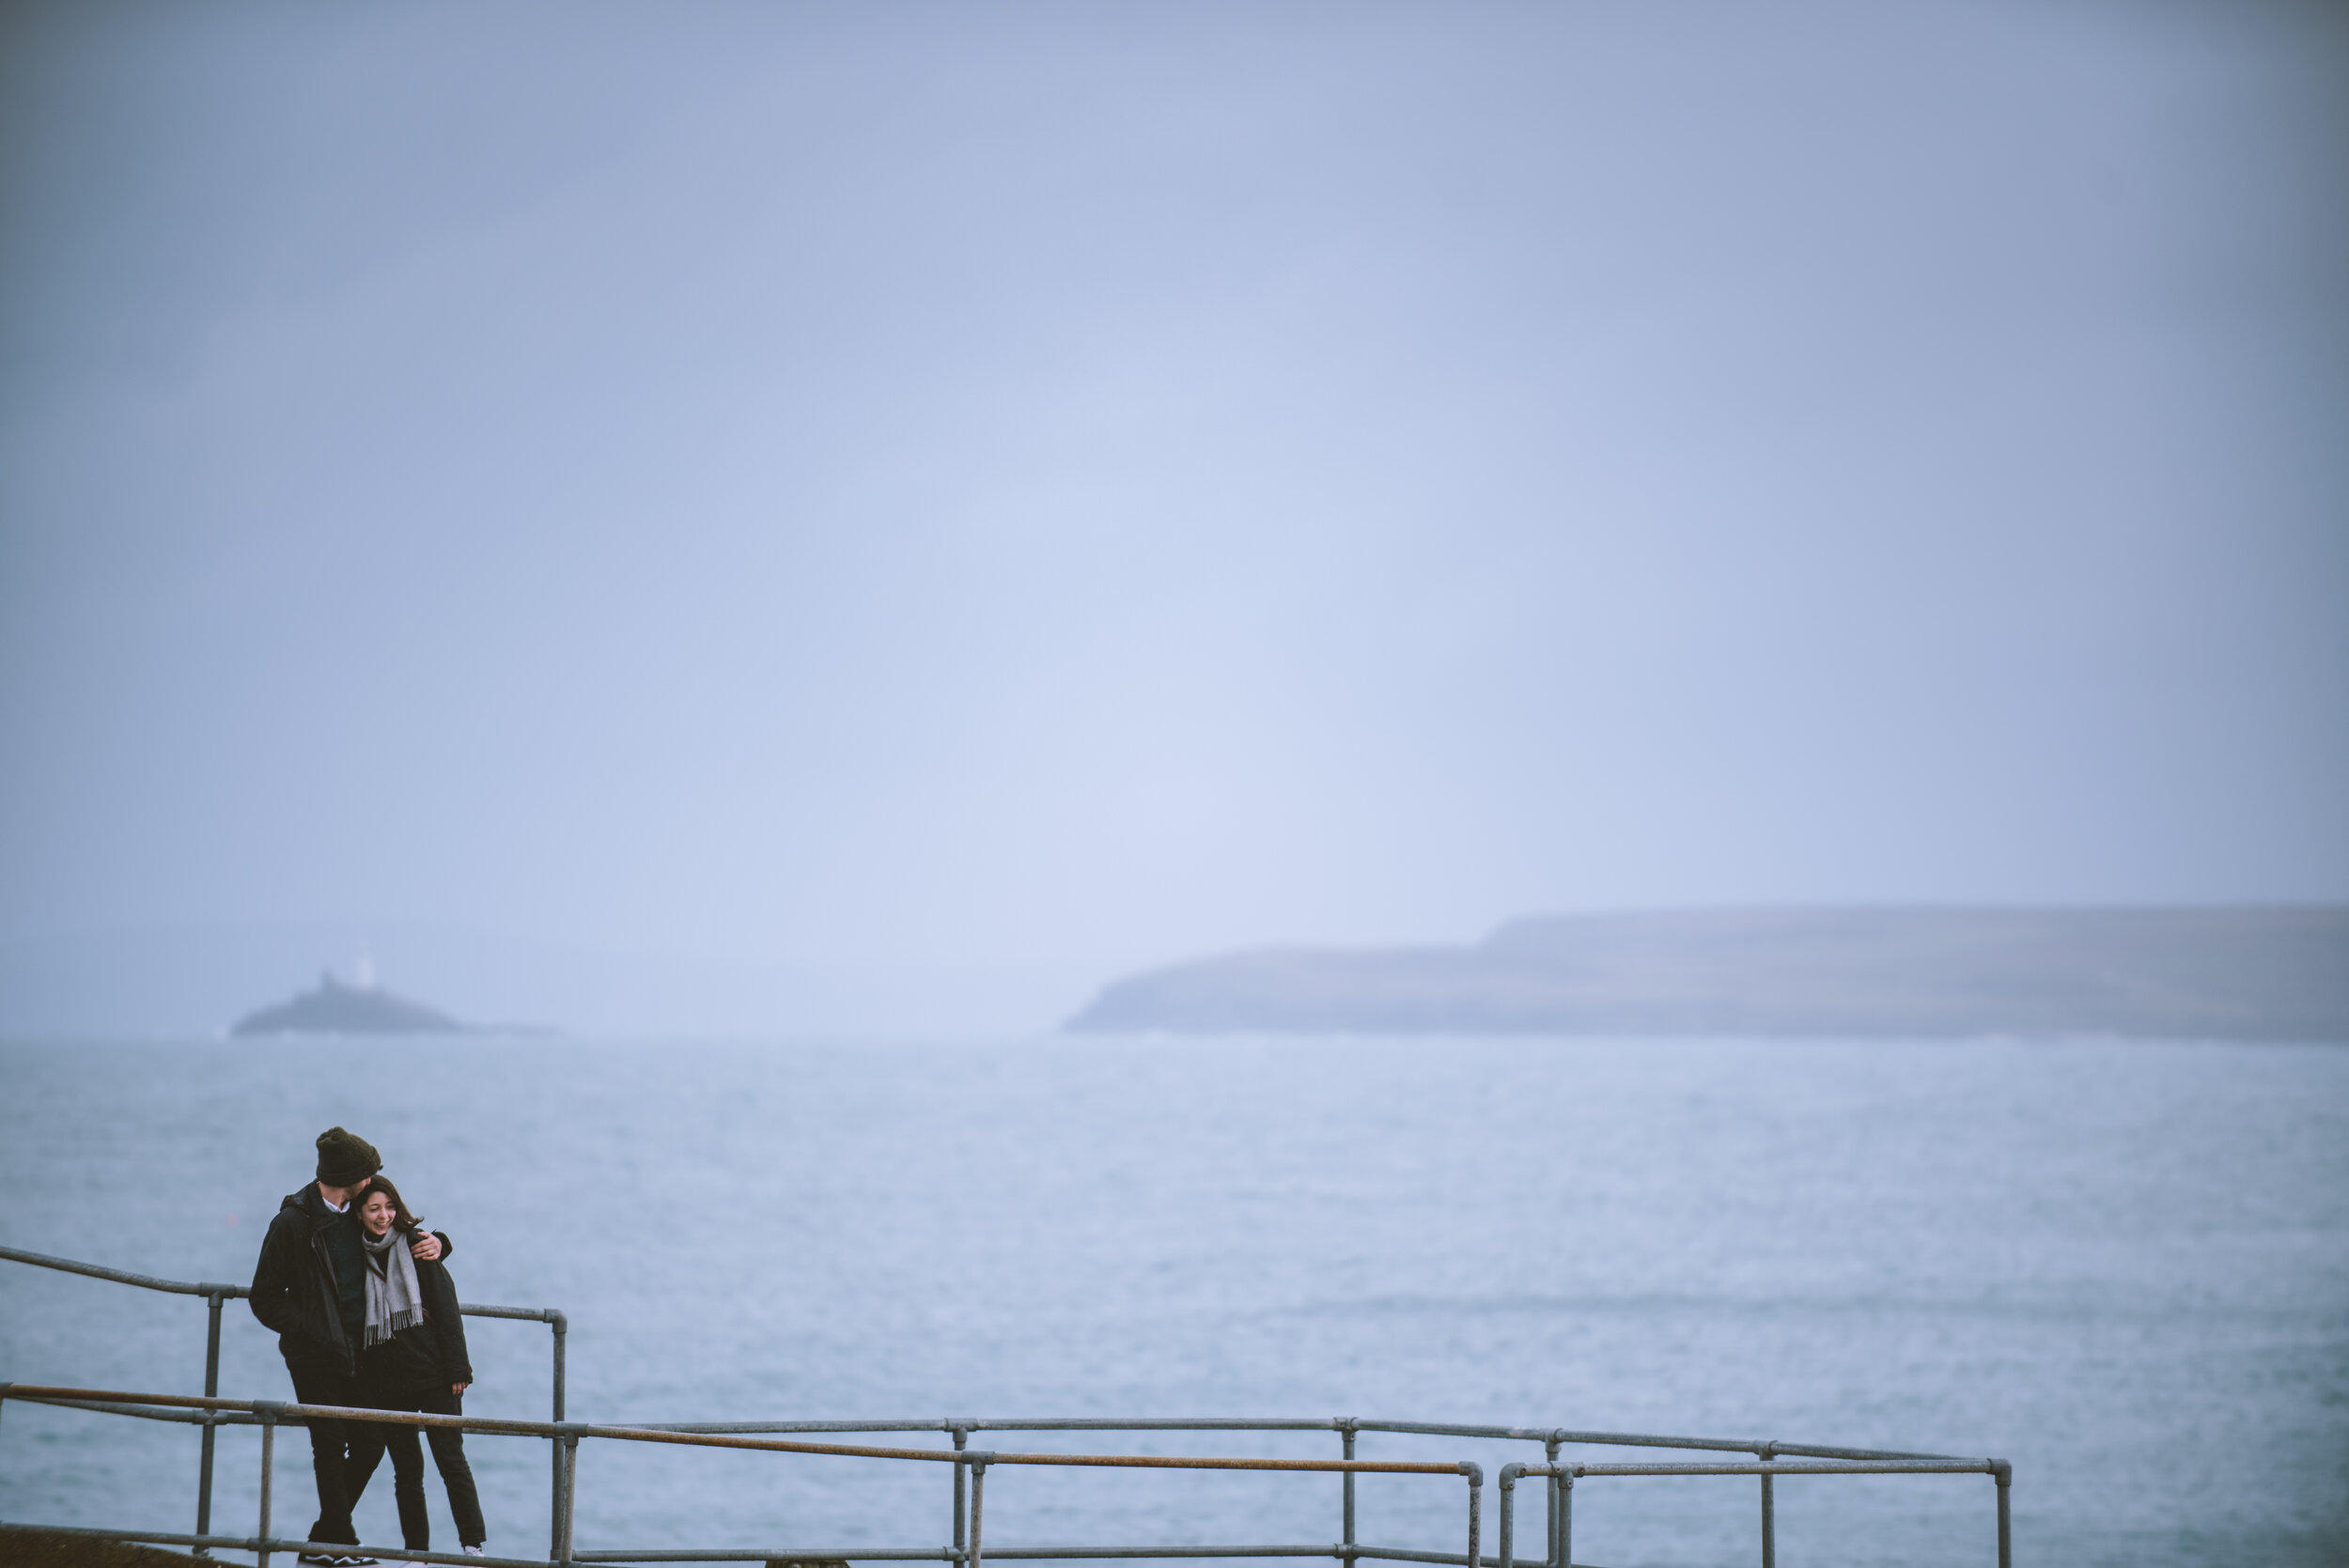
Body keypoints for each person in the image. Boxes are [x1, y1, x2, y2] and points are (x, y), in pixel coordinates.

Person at [249, 1127, 451, 1567]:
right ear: (349, 1177)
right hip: (312, 1355)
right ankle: (338, 1545)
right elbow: (263, 1298)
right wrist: (310, 1328)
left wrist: (441, 1242)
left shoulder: (352, 1216)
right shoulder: (292, 1224)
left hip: (359, 1353)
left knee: (370, 1442)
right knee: (329, 1442)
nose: (373, 1180)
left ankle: (322, 1543)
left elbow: (394, 1237)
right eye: (368, 1174)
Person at [341, 1176, 487, 1560]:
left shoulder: (417, 1246)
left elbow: (446, 1308)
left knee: (451, 1461)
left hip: (435, 1375)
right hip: (388, 1380)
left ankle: (473, 1547)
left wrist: (459, 1370)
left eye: (389, 1207)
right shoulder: (352, 1254)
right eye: (374, 1209)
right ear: (359, 1213)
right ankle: (416, 1554)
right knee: (407, 1472)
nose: (383, 1216)